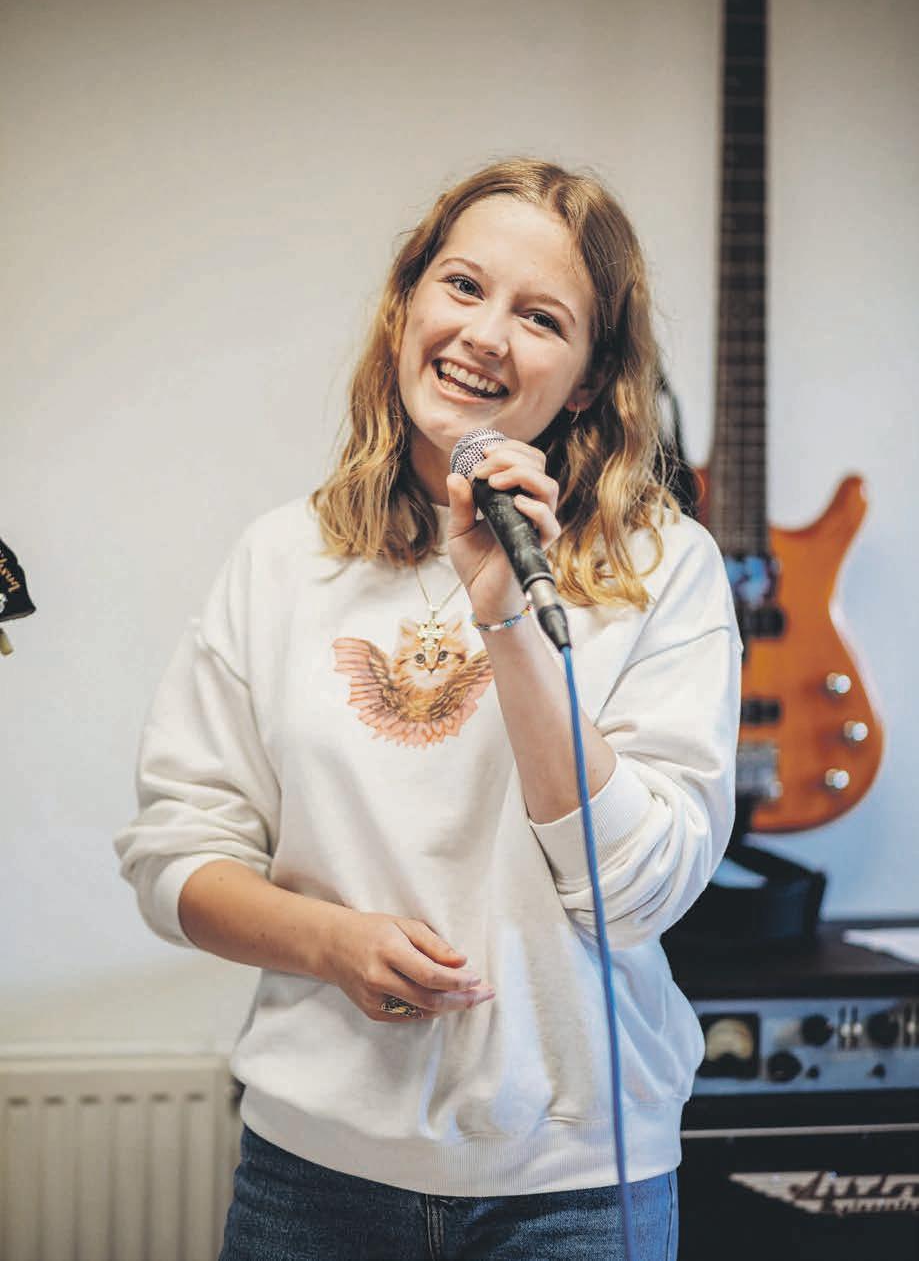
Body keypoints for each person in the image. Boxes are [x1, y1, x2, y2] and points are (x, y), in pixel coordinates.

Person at [115, 156, 742, 1261]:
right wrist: (329, 942)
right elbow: (176, 858)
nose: (484, 334)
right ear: (406, 304)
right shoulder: (282, 559)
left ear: (587, 381)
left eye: (540, 317)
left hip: (575, 1189)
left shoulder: (665, 567)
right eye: (462, 286)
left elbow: (639, 893)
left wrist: (509, 618)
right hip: (311, 1177)